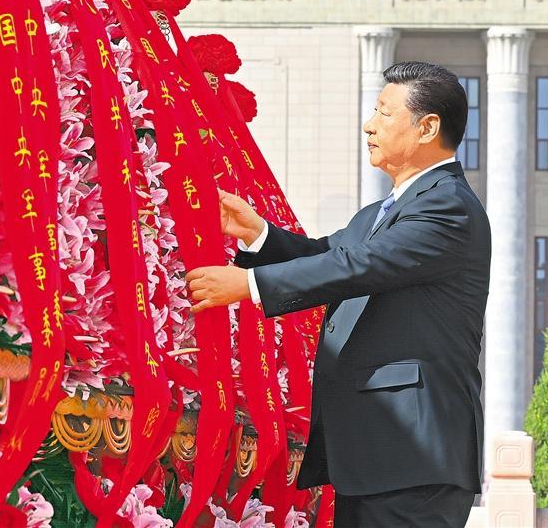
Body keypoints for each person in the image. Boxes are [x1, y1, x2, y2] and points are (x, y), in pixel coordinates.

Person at [186, 61, 491, 527]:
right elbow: (327, 254)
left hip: (414, 456)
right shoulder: (380, 214)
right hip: (375, 453)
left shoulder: (447, 206)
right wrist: (257, 234)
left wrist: (248, 285)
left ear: (428, 127)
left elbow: (357, 267)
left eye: (384, 113)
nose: (369, 125)